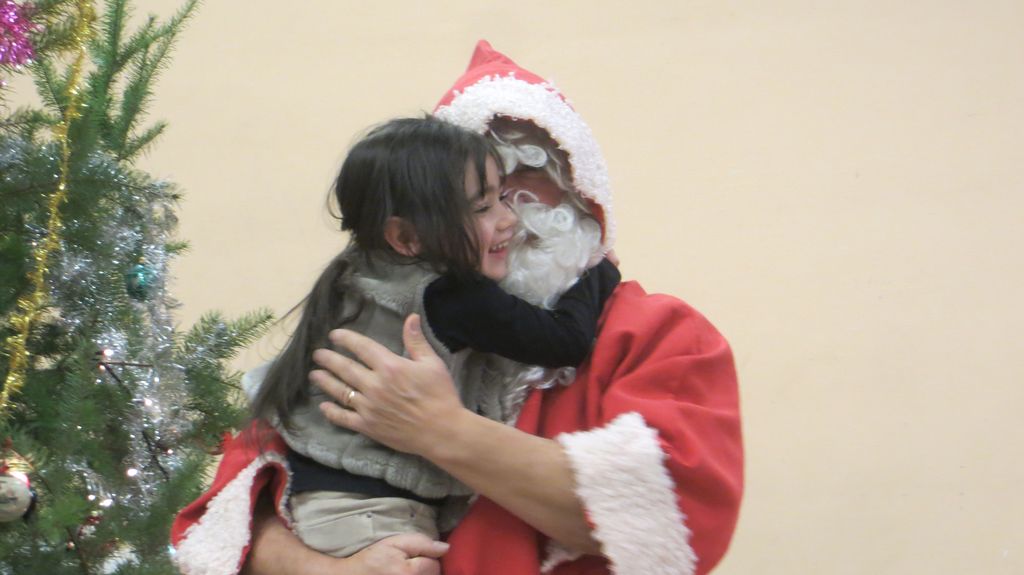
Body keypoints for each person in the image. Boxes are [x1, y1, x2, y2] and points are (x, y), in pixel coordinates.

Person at [171, 41, 743, 575]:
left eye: (530, 171)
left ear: (581, 185)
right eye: (486, 190)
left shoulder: (661, 335)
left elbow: (677, 517)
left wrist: (442, 430)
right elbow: (237, 498)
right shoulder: (374, 310)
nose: (512, 211)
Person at [244, 116, 620, 559]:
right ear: (405, 236)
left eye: (502, 197)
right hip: (372, 517)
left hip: (312, 499)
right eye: (483, 208)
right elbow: (564, 340)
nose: (509, 219)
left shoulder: (354, 270)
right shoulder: (450, 293)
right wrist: (596, 268)